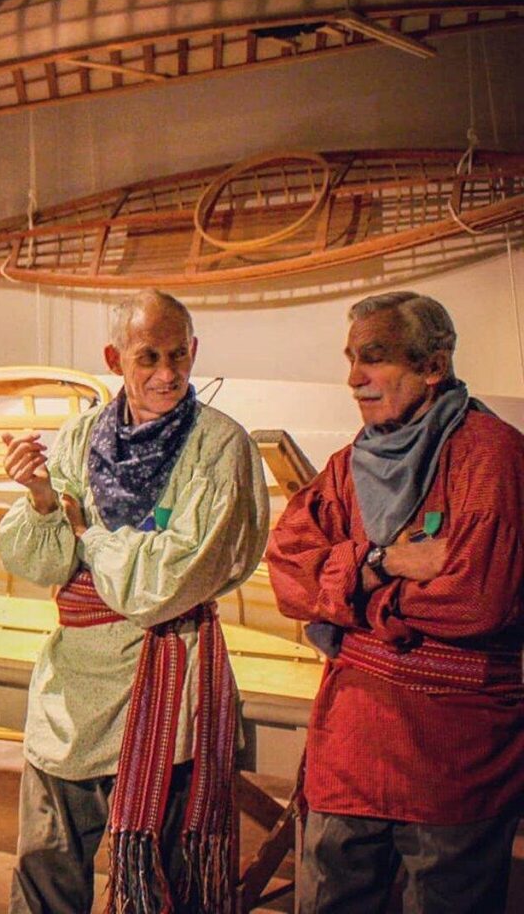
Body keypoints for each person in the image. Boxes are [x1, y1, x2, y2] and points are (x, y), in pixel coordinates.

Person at [0, 289, 269, 914]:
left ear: (195, 350)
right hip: (72, 689)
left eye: (179, 355)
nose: (167, 374)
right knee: (46, 870)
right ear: (115, 357)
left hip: (167, 694)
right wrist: (42, 500)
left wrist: (87, 537)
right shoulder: (77, 438)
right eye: (148, 357)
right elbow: (40, 561)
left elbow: (169, 583)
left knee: (162, 883)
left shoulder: (220, 448)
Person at [267, 291, 524, 914]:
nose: (354, 378)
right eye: (352, 358)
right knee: (334, 895)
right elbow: (287, 574)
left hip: (453, 746)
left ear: (433, 366)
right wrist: (378, 563)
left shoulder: (492, 458)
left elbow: (476, 600)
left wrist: (356, 605)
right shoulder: (349, 464)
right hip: (353, 737)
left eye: (375, 358)